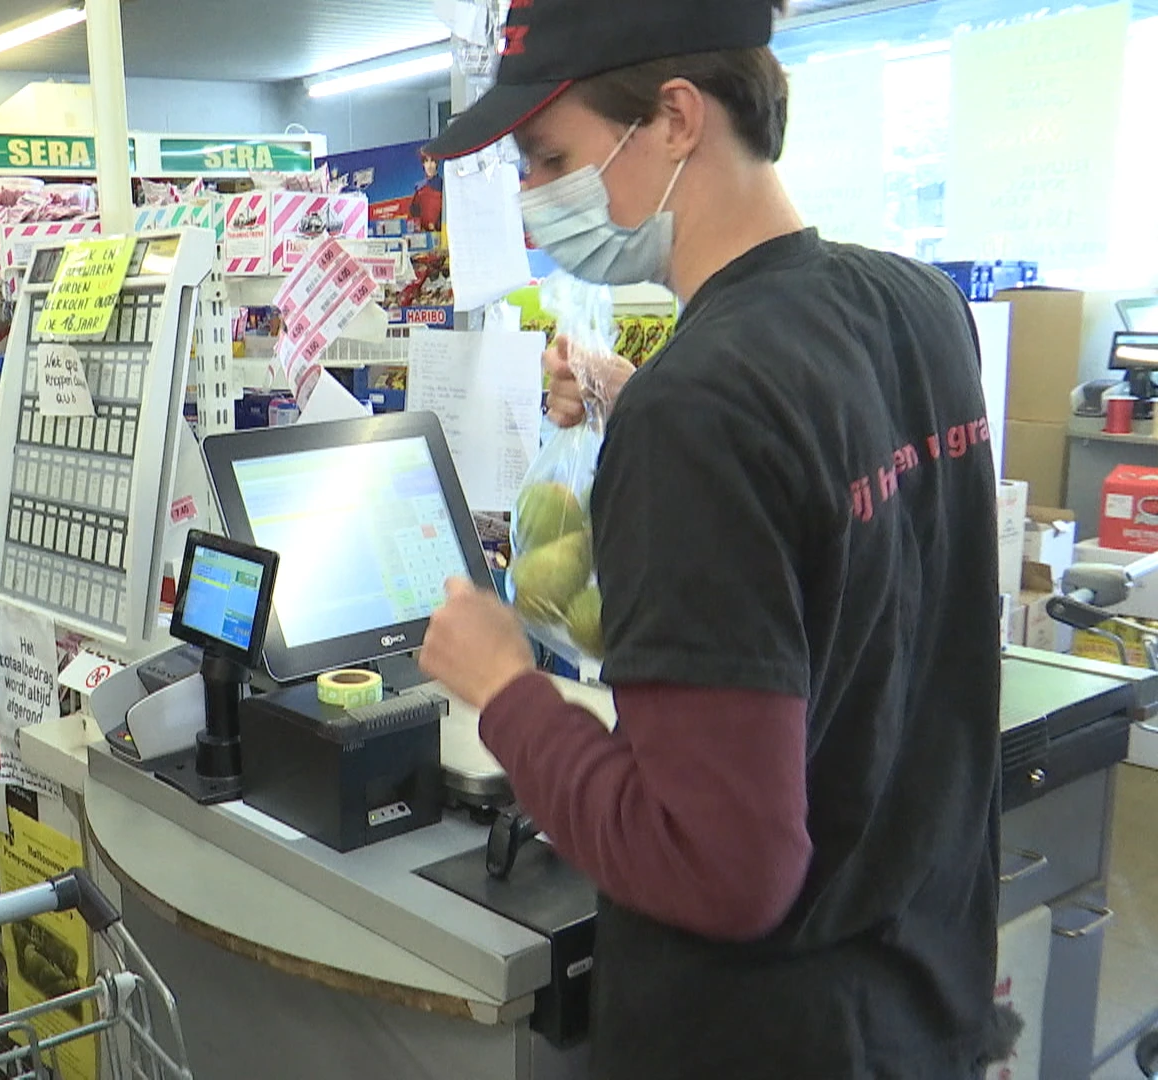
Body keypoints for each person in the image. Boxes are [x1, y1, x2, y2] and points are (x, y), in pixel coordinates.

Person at [416, 1, 1008, 1077]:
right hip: (924, 994)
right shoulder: (917, 306)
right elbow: (829, 512)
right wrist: (629, 396)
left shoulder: (705, 407)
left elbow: (723, 870)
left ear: (677, 118)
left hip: (767, 1036)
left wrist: (505, 688)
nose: (535, 199)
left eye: (548, 158)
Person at [409, 152, 445, 233]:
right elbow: (413, 212)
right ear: (423, 164)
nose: (429, 165)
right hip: (423, 235)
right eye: (426, 161)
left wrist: (437, 225)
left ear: (436, 163)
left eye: (432, 161)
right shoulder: (419, 188)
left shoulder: (444, 186)